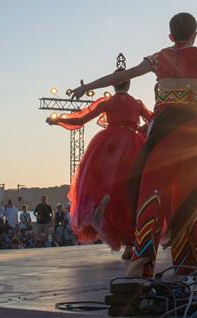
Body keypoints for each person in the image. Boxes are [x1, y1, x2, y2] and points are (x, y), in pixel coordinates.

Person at [69, 12, 197, 277]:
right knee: (189, 194)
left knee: (151, 188)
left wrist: (86, 88)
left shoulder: (159, 57)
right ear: (195, 34)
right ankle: (189, 264)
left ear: (170, 36)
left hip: (164, 125)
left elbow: (123, 74)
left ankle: (142, 260)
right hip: (191, 127)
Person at [48, 65, 152, 254]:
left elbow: (81, 118)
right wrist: (141, 131)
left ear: (113, 85)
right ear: (129, 84)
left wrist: (58, 120)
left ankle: (102, 201)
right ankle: (130, 245)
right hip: (133, 144)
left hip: (108, 144)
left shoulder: (107, 102)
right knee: (131, 194)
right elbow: (153, 120)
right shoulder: (137, 103)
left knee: (100, 182)